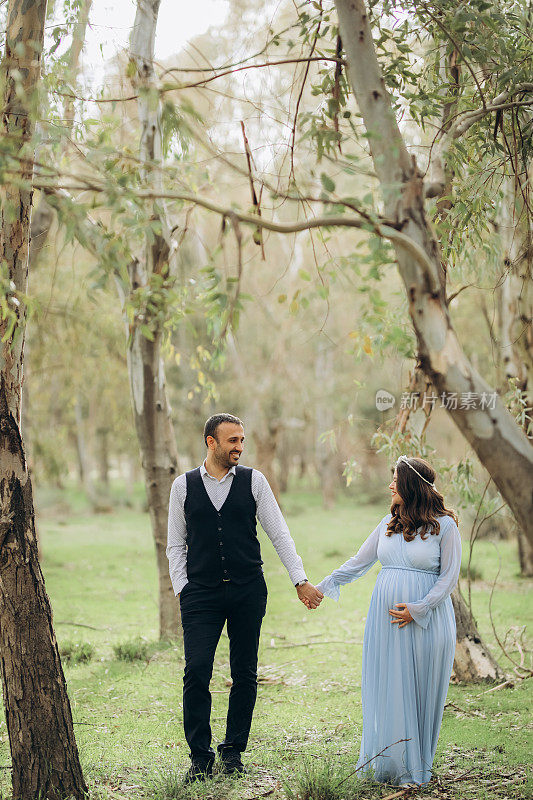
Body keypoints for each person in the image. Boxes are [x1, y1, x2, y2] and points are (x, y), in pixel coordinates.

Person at [166, 413, 323, 782]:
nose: (239, 447)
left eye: (242, 440)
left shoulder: (255, 482)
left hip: (247, 590)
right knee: (196, 671)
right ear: (211, 442)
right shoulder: (182, 486)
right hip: (200, 594)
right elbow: (175, 544)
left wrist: (299, 579)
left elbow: (279, 534)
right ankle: (200, 758)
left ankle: (233, 751)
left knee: (245, 673)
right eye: (232, 440)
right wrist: (183, 590)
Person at [316, 455, 461, 787]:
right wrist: (322, 587)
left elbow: (449, 577)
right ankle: (390, 763)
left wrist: (419, 608)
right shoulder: (387, 523)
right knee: (390, 687)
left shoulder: (445, 527)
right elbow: (359, 562)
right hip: (386, 624)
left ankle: (416, 765)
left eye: (395, 479)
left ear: (410, 485)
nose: (390, 484)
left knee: (418, 690)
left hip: (426, 621)